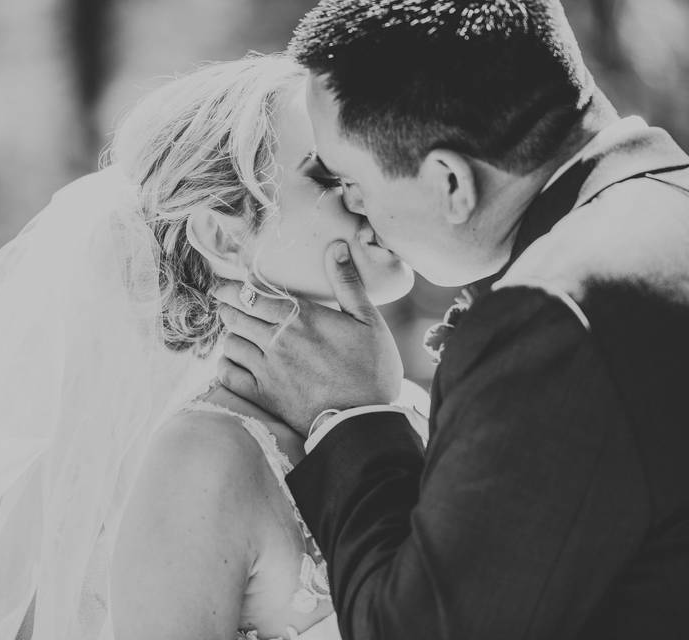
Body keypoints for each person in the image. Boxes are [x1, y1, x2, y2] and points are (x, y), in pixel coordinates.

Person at [0, 55, 421, 640]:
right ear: (225, 238)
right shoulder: (206, 461)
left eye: (374, 167)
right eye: (332, 178)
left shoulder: (404, 404)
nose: (378, 197)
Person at [215, 2, 689, 638]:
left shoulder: (552, 318)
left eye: (351, 179)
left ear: (449, 182)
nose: (356, 210)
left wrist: (355, 416)